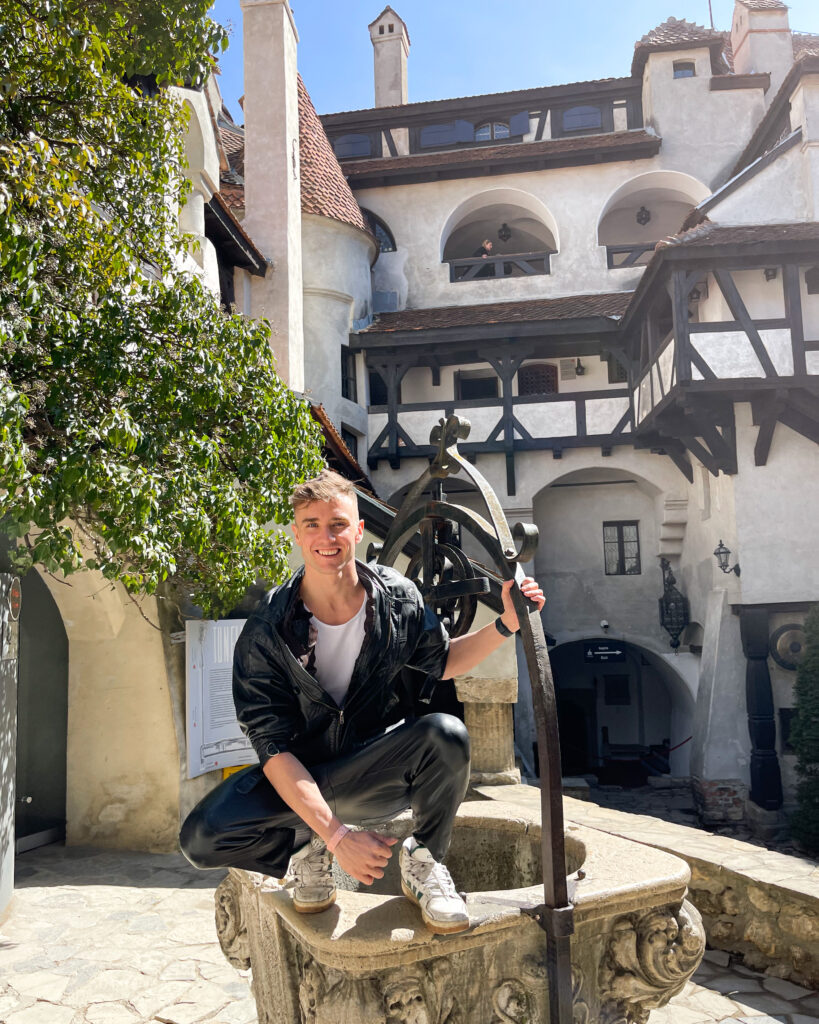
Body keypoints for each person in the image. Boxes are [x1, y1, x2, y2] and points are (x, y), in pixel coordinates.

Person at [180, 470, 544, 935]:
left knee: (445, 733)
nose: (325, 537)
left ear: (357, 528)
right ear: (296, 533)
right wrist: (335, 837)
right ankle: (303, 847)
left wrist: (506, 625)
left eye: (337, 523)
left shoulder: (399, 599)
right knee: (202, 836)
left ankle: (424, 862)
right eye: (311, 524)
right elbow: (273, 749)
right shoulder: (266, 630)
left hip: (372, 768)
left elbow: (443, 661)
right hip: (302, 777)